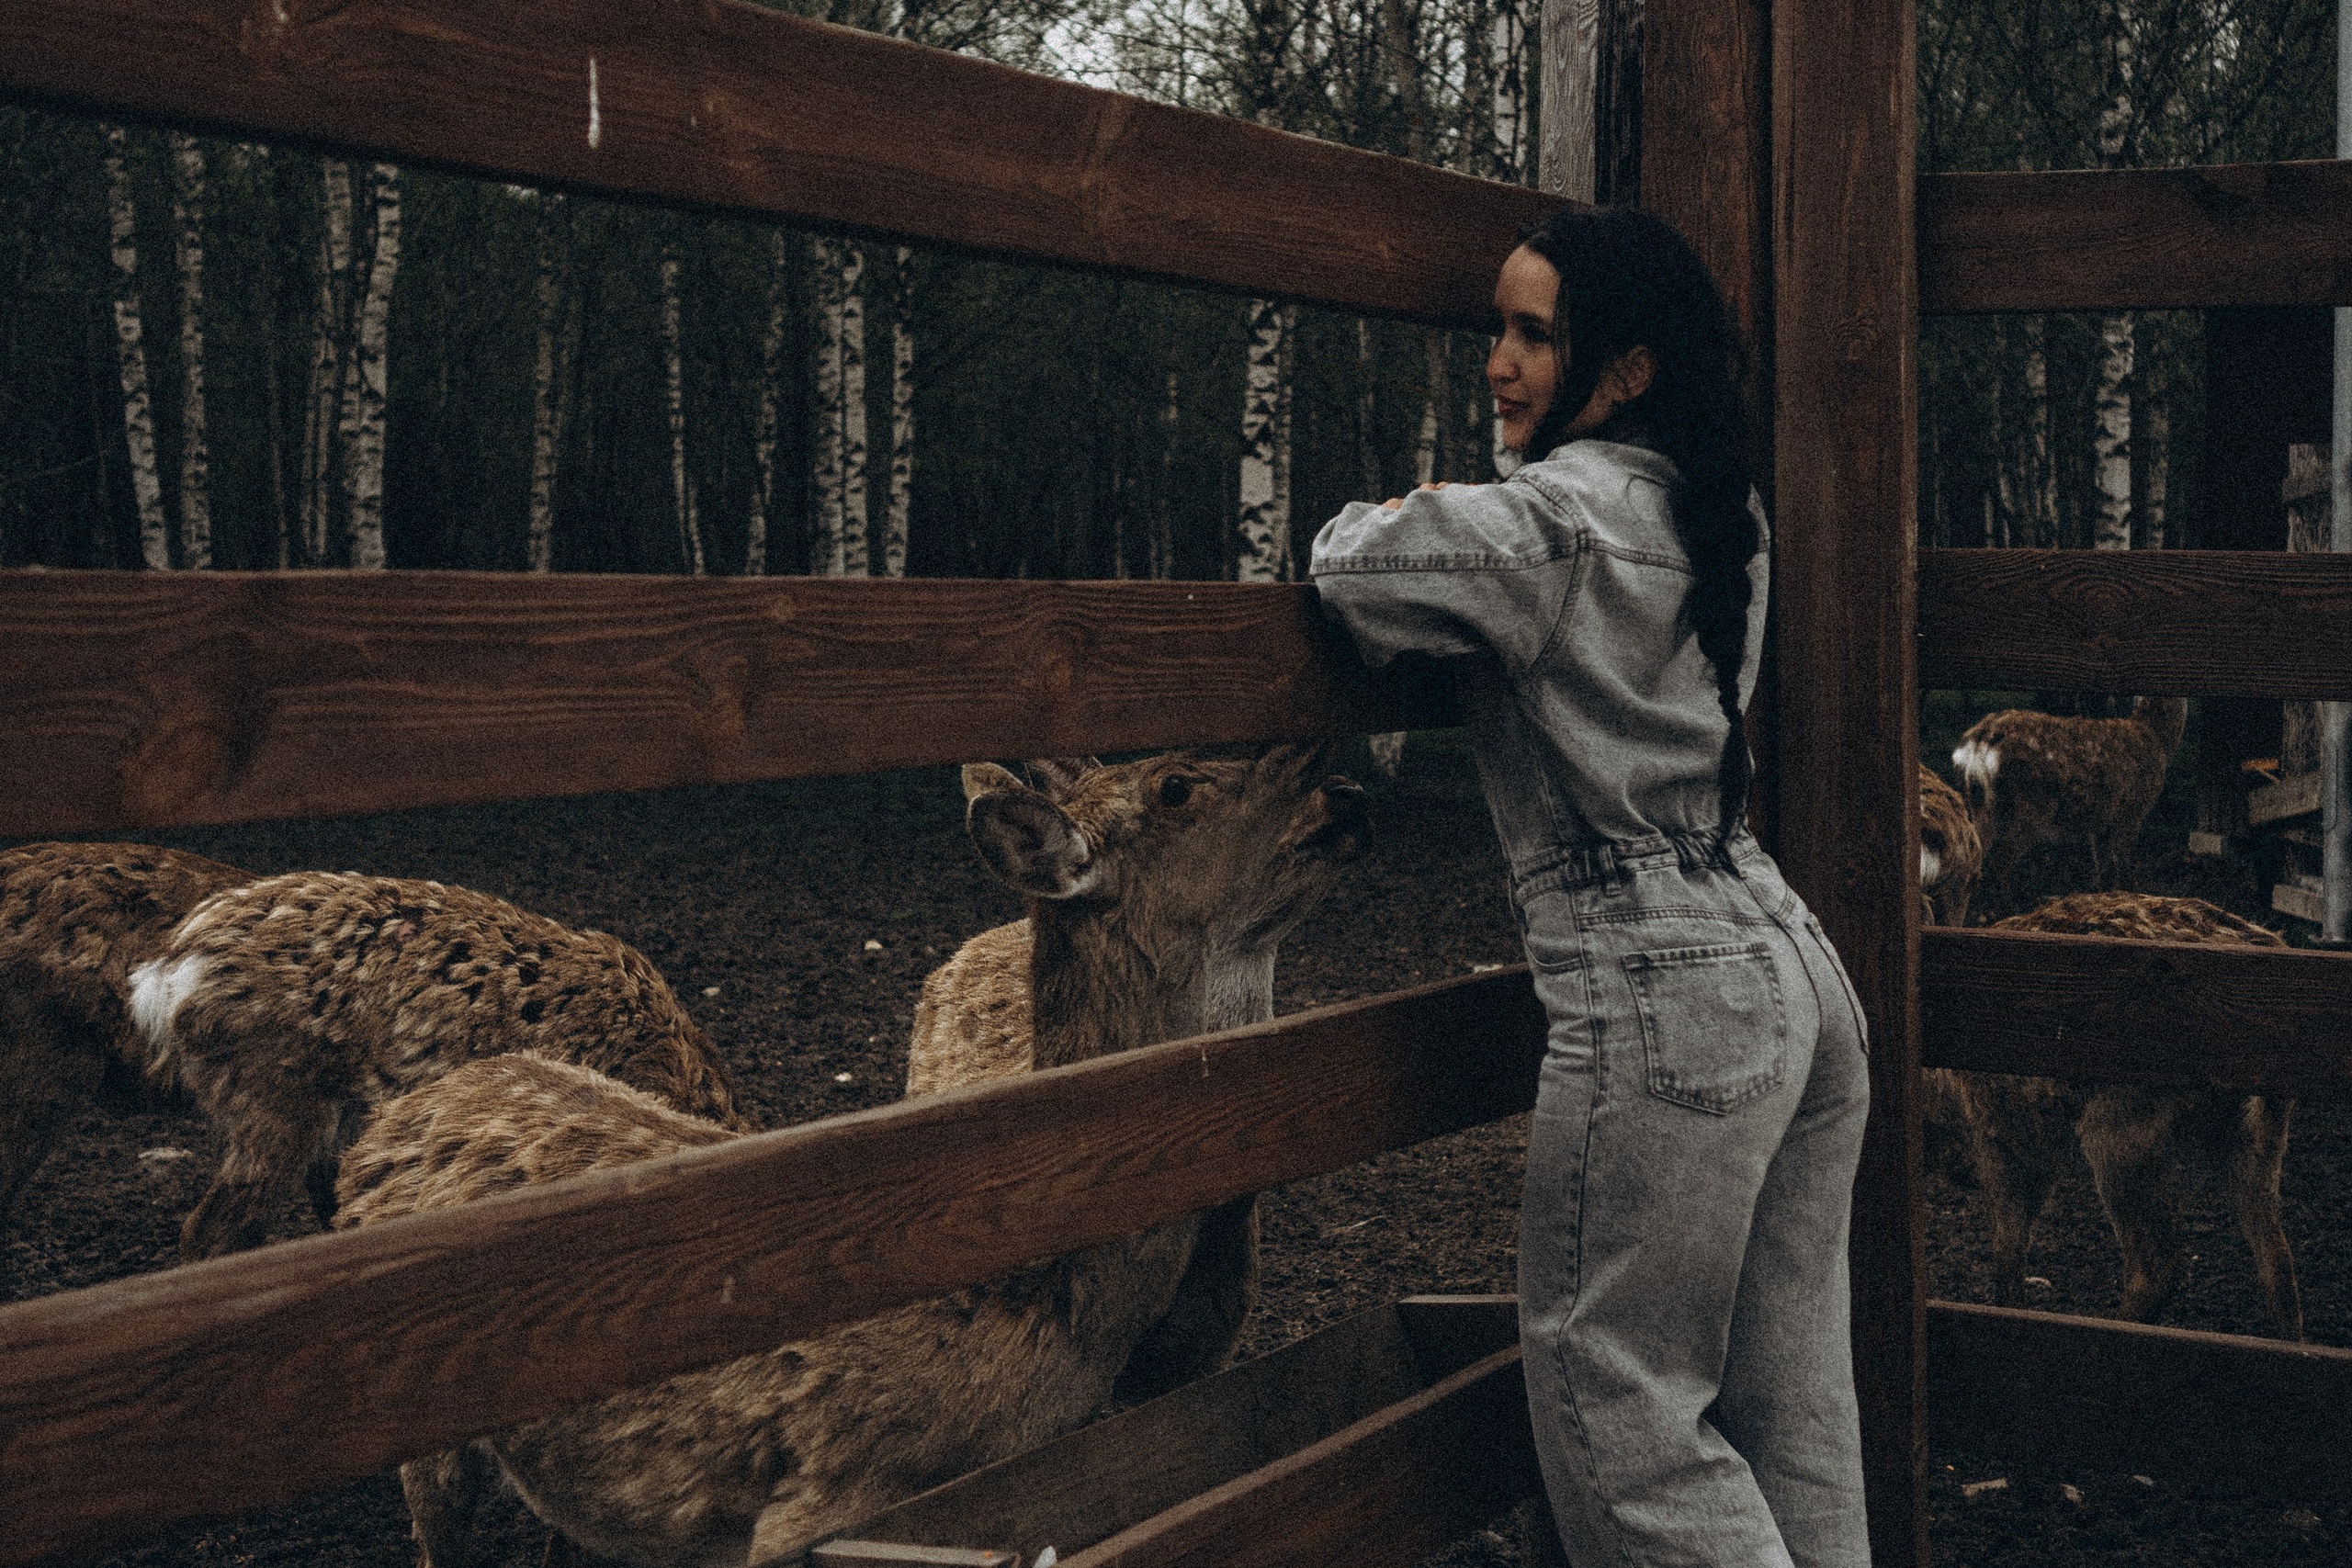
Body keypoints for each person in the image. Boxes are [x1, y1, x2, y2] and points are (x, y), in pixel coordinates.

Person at [1307, 207, 1872, 1568]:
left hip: (1667, 998)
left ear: (1623, 371)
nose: (1498, 362)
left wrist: (1403, 508)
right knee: (1793, 1406)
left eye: (1533, 336)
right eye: (1495, 328)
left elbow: (1346, 568)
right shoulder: (1716, 507)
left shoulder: (1549, 526)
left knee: (1621, 1413)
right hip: (1794, 978)